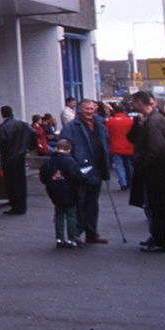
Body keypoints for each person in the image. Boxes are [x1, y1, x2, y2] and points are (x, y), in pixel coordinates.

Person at [58, 99, 109, 244]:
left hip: (97, 169)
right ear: (80, 110)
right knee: (80, 203)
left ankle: (92, 233)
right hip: (79, 170)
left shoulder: (99, 125)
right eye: (87, 109)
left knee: (93, 203)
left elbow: (105, 142)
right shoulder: (71, 127)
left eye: (92, 109)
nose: (90, 111)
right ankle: (76, 234)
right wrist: (68, 167)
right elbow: (63, 147)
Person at [129, 91, 165, 253]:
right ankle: (159, 238)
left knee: (157, 207)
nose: (132, 105)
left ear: (140, 102)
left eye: (134, 102)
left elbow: (158, 148)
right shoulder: (153, 119)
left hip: (156, 173)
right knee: (156, 207)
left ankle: (161, 241)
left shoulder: (153, 121)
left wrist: (142, 163)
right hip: (158, 171)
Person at [41, 137, 85, 248]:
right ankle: (71, 239)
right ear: (69, 149)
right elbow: (76, 176)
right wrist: (84, 177)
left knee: (59, 215)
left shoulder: (50, 161)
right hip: (69, 191)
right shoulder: (69, 161)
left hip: (54, 191)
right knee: (71, 215)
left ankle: (59, 239)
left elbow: (43, 177)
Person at [0, 105, 36, 215]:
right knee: (21, 181)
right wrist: (30, 146)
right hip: (20, 155)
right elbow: (33, 133)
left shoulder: (2, 128)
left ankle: (15, 206)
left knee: (11, 183)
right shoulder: (23, 124)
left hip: (8, 157)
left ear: (3, 114)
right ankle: (22, 206)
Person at [104, 102, 136, 190]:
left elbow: (106, 134)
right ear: (124, 111)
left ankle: (123, 183)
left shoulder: (110, 121)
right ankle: (132, 181)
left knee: (119, 165)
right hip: (129, 146)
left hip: (115, 146)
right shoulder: (130, 120)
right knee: (129, 164)